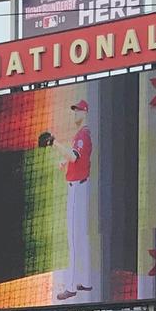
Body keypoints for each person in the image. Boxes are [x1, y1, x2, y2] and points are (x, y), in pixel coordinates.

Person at [57, 98, 94, 300]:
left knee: (73, 238)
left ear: (85, 113)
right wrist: (66, 162)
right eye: (74, 111)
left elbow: (74, 156)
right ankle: (85, 281)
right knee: (82, 237)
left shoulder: (82, 135)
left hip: (77, 189)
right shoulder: (83, 134)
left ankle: (71, 286)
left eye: (78, 111)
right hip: (82, 186)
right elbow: (74, 158)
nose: (75, 114)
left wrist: (54, 143)